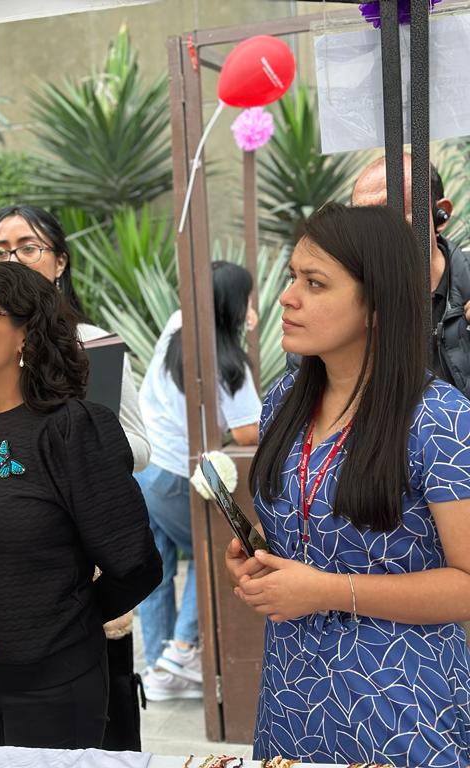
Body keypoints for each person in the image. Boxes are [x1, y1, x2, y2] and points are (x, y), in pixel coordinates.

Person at [227, 203, 470, 768]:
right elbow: (311, 530)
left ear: (378, 304)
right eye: (292, 277)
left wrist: (327, 590)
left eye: (315, 283)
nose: (288, 297)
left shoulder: (438, 419)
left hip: (400, 705)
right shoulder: (282, 405)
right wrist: (259, 554)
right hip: (292, 696)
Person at [0, 260, 162, 749]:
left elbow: (137, 565)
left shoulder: (74, 429)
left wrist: (61, 625)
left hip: (58, 687)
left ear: (26, 333)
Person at [0, 203, 151, 471]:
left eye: (28, 248)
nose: (12, 261)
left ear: (60, 262)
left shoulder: (96, 345)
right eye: (0, 252)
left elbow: (139, 451)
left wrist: (81, 436)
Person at [137, 261, 261, 701]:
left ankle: (158, 669)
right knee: (212, 553)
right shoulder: (232, 364)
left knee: (157, 568)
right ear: (233, 305)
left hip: (144, 468)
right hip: (176, 475)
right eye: (248, 298)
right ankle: (184, 649)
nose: (253, 307)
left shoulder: (176, 328)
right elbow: (249, 432)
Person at [351, 154, 470, 397]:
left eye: (391, 214)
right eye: (361, 220)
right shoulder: (344, 298)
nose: (374, 234)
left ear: (441, 215)